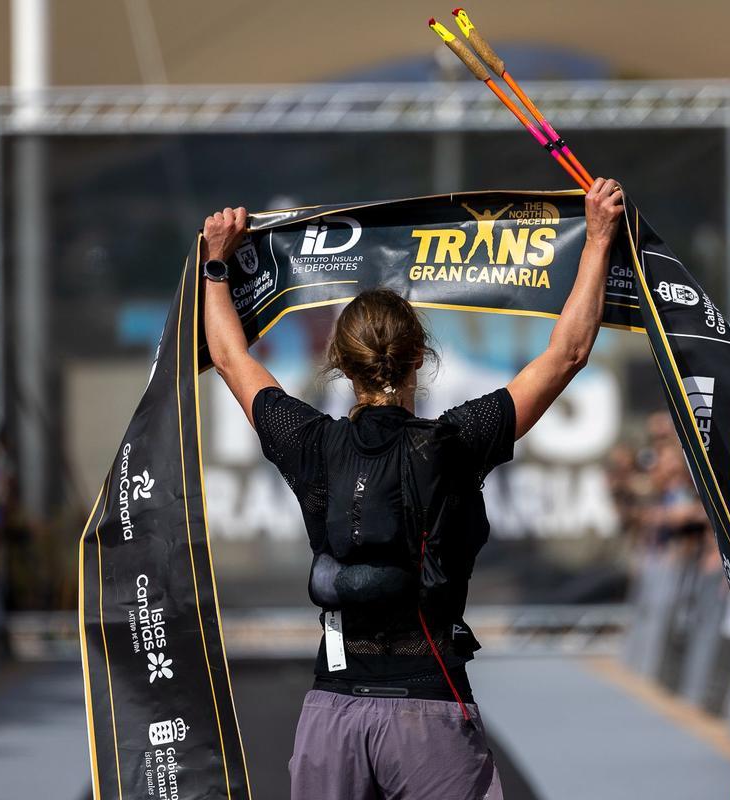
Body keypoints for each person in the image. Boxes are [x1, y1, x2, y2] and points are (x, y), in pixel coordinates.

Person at [201, 178, 625, 800]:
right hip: (428, 708)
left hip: (333, 713)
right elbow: (566, 354)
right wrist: (596, 239)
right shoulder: (452, 443)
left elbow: (232, 357)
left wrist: (217, 262)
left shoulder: (311, 443)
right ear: (421, 357)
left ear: (339, 364)